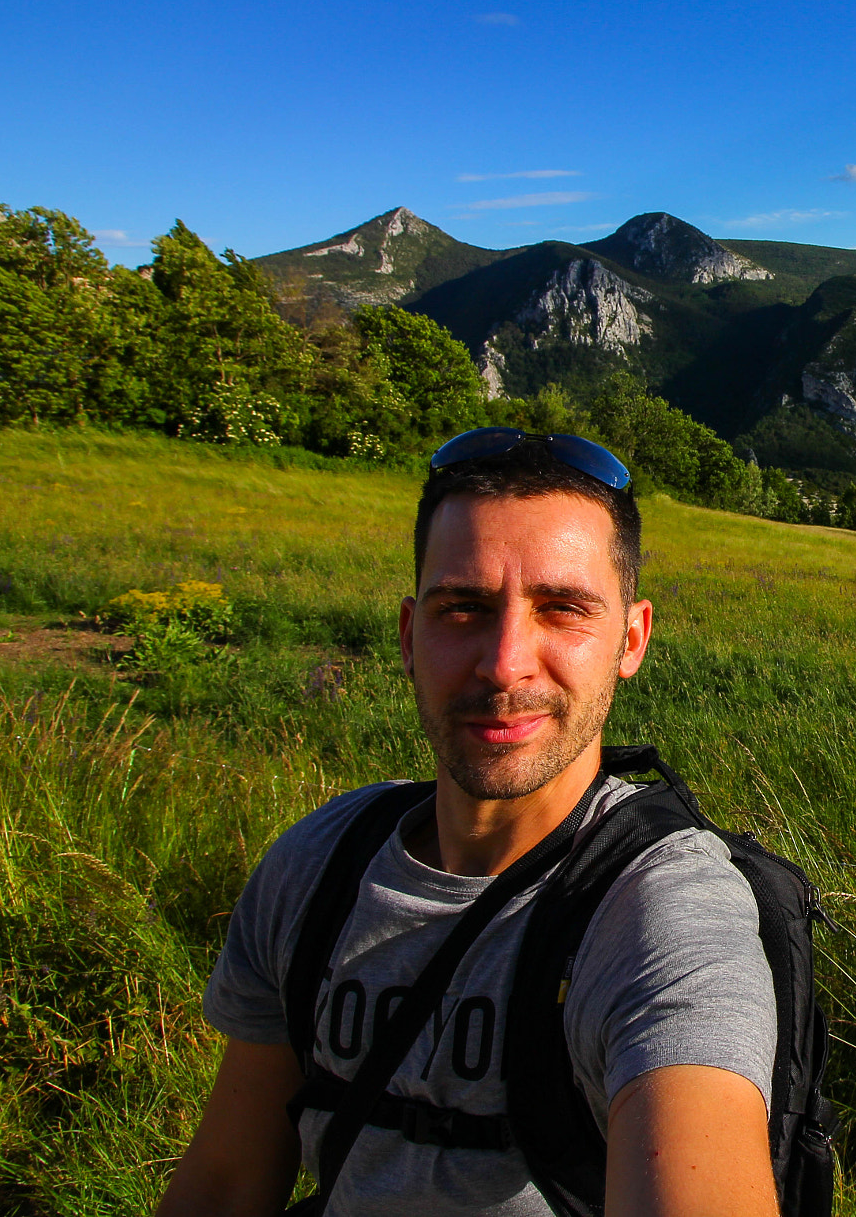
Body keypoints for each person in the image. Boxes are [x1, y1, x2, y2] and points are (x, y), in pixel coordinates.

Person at [159, 430, 781, 1217]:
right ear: (408, 636)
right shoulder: (316, 866)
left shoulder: (661, 914)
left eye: (562, 609)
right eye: (464, 609)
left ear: (632, 639)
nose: (504, 661)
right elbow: (226, 1180)